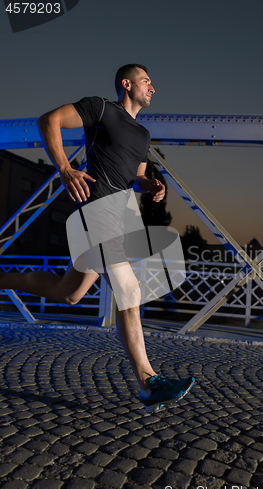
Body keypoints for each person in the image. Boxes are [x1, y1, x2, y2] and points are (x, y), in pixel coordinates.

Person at [0, 64, 194, 413]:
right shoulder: (101, 108)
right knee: (130, 289)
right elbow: (49, 120)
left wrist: (150, 184)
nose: (153, 87)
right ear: (127, 83)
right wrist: (64, 168)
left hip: (118, 218)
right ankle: (149, 382)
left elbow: (134, 173)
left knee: (69, 294)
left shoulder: (143, 135)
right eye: (146, 81)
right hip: (94, 212)